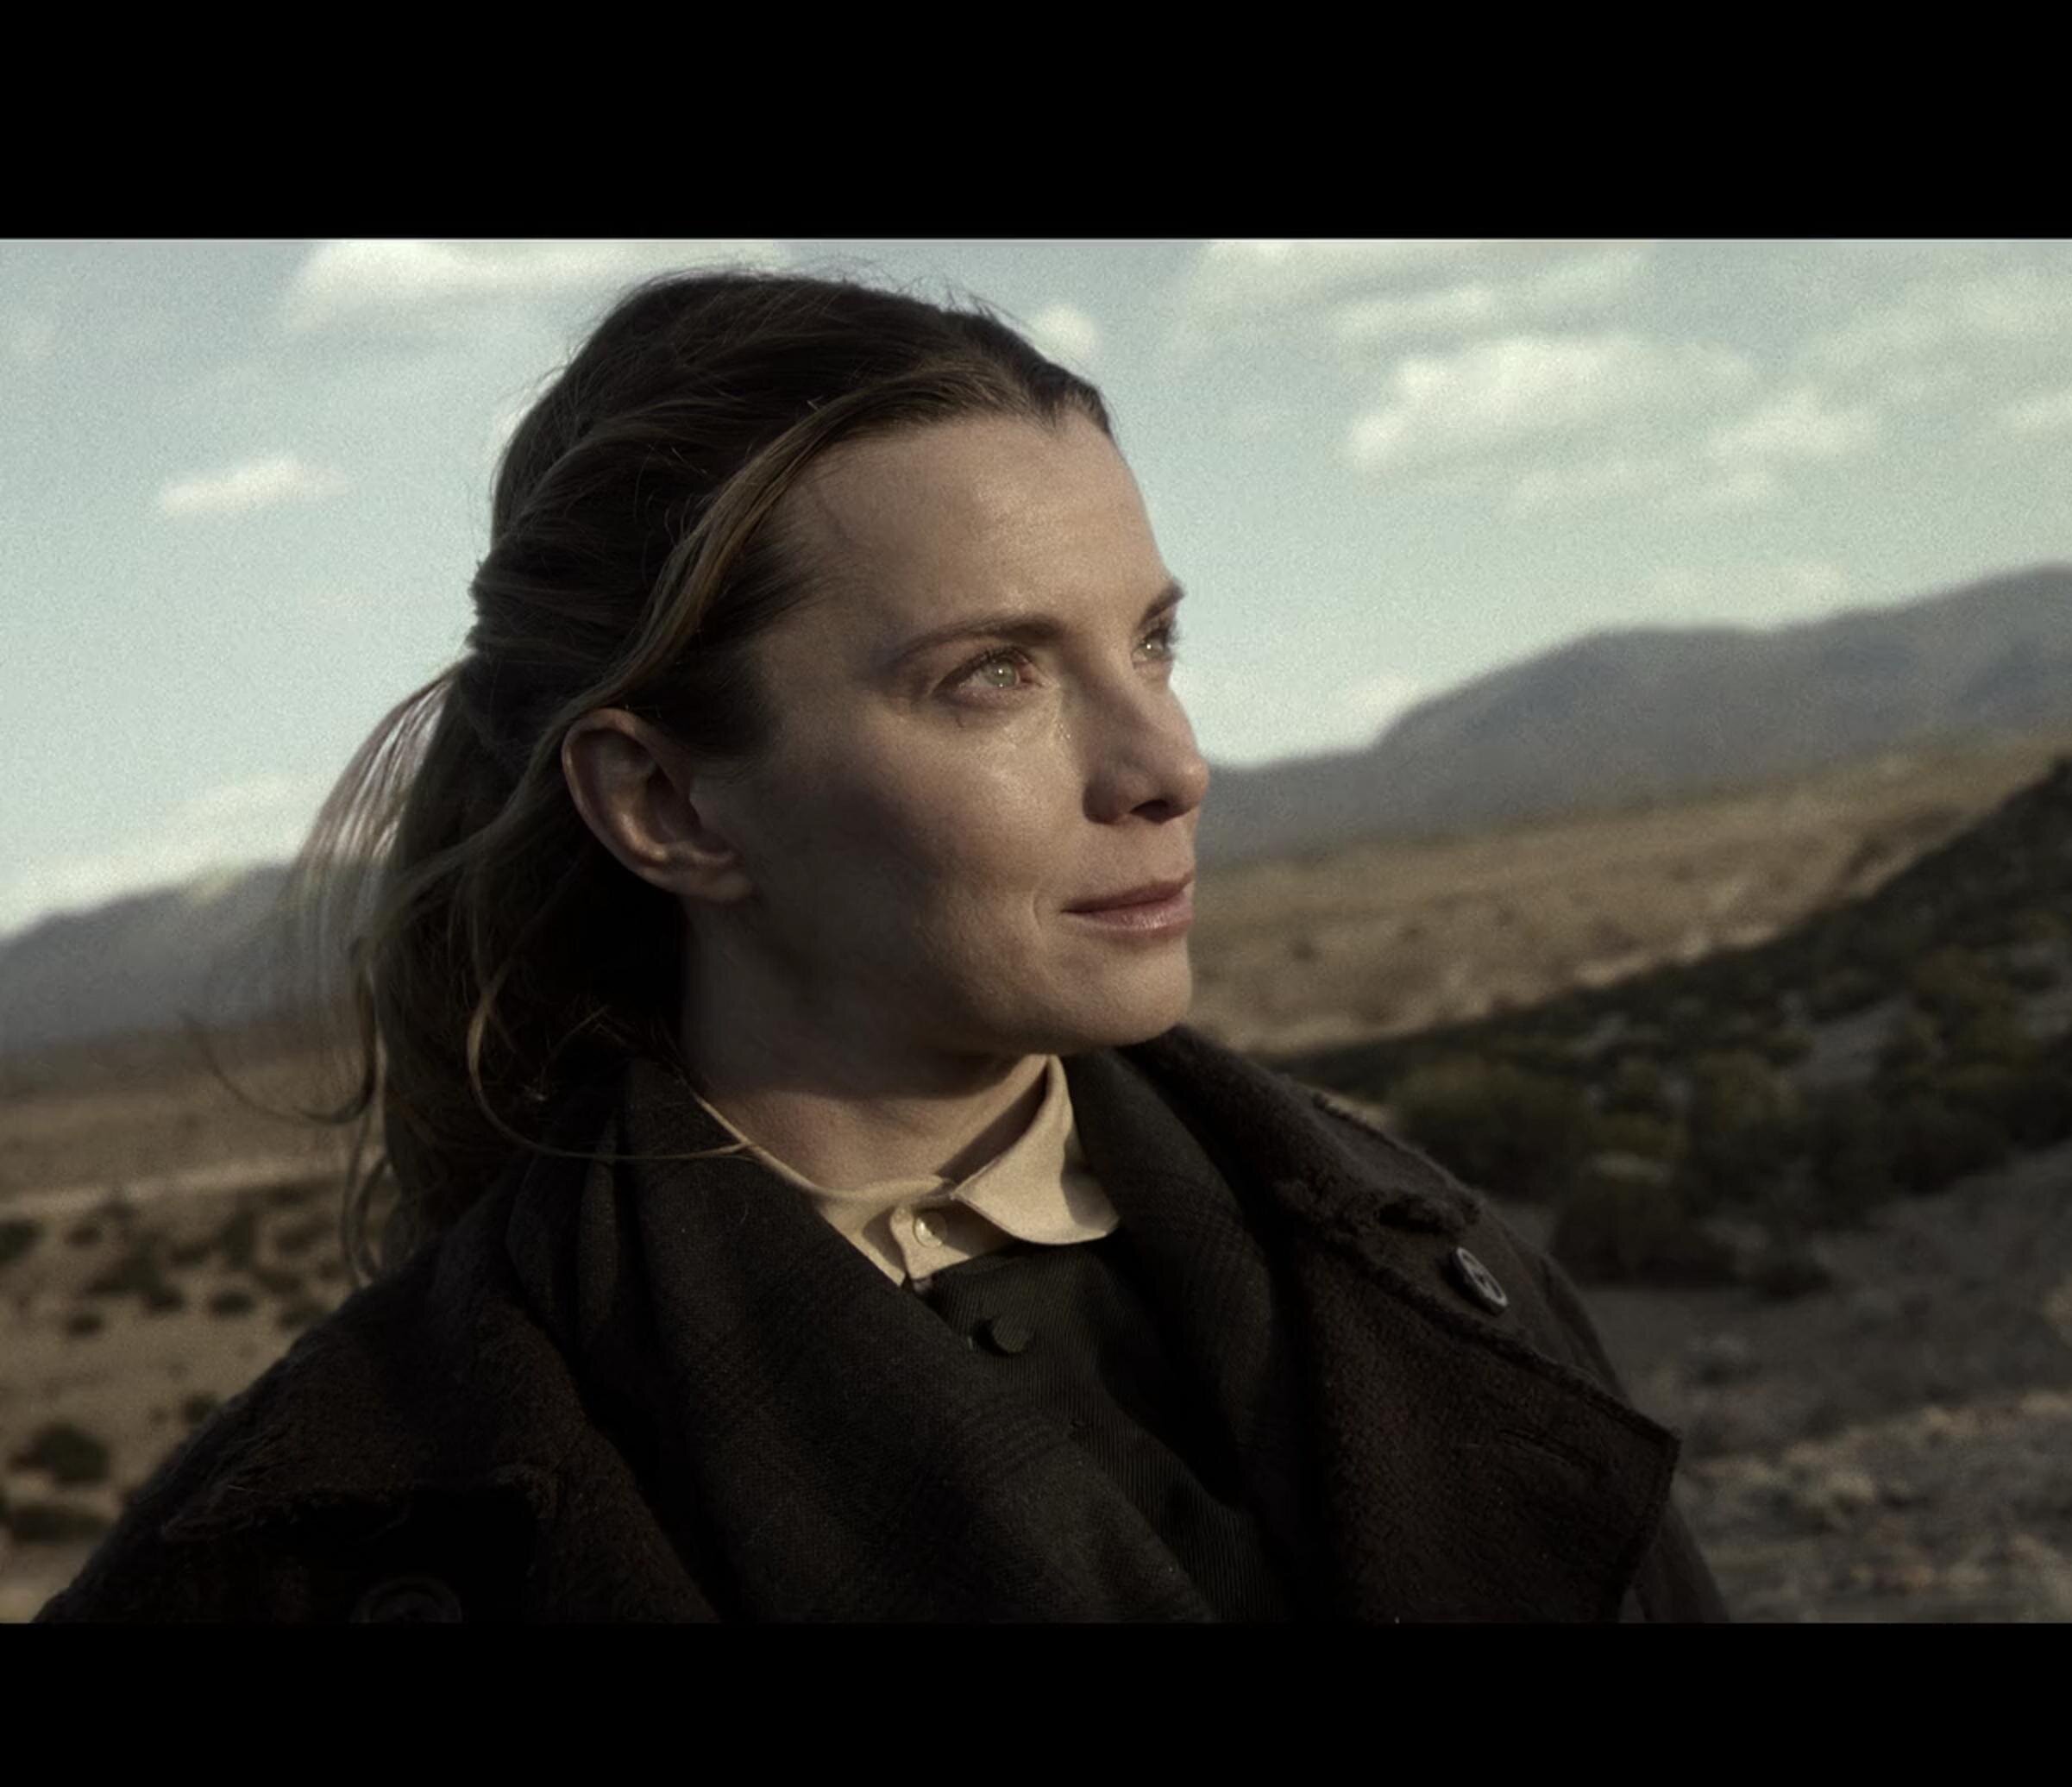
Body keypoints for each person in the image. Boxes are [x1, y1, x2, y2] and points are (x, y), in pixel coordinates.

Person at [35, 264, 1729, 1623]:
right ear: (668, 806)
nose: (1167, 764)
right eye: (994, 674)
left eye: (1152, 643)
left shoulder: (1431, 1268)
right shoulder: (332, 1538)